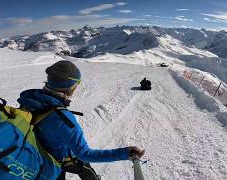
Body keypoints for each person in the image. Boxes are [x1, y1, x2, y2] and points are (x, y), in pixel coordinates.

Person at [17, 60, 145, 180]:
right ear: (70, 88)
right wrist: (125, 153)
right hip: (57, 161)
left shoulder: (29, 98)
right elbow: (85, 154)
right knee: (85, 168)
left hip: (38, 155)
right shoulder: (63, 119)